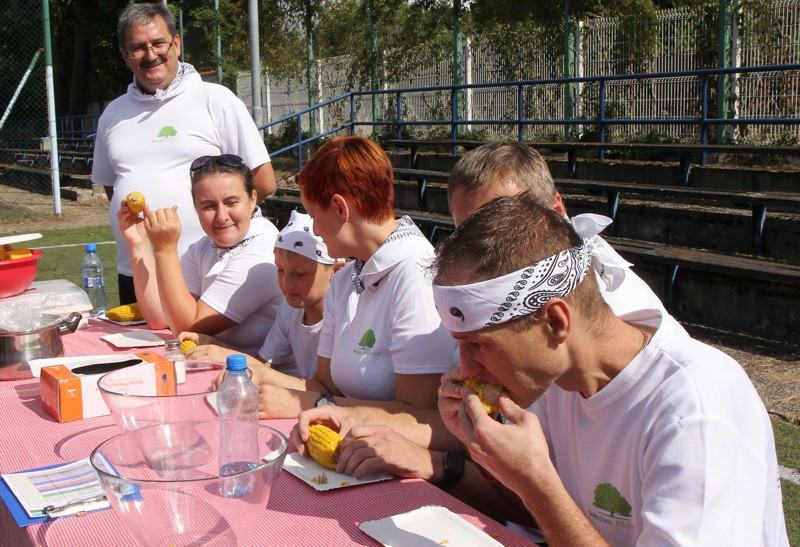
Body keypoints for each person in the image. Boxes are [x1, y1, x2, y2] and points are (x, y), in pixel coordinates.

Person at [292, 141, 672, 489]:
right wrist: (423, 453)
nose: (480, 248)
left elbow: (545, 490)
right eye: (467, 232)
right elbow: (514, 488)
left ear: (556, 212)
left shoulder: (601, 332)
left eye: (501, 223)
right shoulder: (527, 327)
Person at [430, 194, 787, 545]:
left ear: (555, 322)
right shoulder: (554, 382)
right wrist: (479, 449)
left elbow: (546, 501)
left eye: (478, 344)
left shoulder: (695, 408)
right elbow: (543, 516)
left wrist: (536, 480)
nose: (465, 367)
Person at [252, 136, 458, 419]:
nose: (313, 228)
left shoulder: (416, 275)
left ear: (340, 208)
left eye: (314, 214)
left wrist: (312, 405)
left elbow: (419, 414)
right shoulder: (346, 278)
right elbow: (324, 386)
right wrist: (254, 373)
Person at [92, 2, 276, 305]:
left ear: (176, 44)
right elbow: (113, 187)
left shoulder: (215, 100)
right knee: (142, 352)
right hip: (137, 272)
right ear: (125, 56)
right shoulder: (113, 114)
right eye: (138, 48)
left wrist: (221, 230)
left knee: (202, 351)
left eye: (158, 43)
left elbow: (263, 181)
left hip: (205, 273)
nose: (150, 55)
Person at [118, 154, 283, 356]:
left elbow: (186, 327)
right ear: (196, 209)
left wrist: (165, 248)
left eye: (231, 202)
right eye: (209, 206)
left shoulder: (261, 254)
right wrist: (140, 244)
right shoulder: (205, 246)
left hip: (258, 378)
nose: (222, 216)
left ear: (252, 199)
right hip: (218, 367)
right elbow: (159, 317)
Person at [182, 210, 341, 380]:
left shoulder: (343, 319)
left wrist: (228, 356)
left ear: (336, 270)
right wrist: (217, 347)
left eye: (300, 274)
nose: (286, 284)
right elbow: (263, 364)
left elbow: (325, 391)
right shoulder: (290, 309)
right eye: (280, 270)